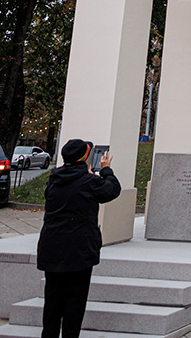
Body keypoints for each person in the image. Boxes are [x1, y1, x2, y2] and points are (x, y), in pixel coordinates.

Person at [36, 139, 122, 338]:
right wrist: (106, 170)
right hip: (78, 250)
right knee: (74, 303)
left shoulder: (53, 180)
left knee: (52, 301)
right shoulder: (89, 182)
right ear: (85, 158)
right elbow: (112, 190)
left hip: (52, 248)